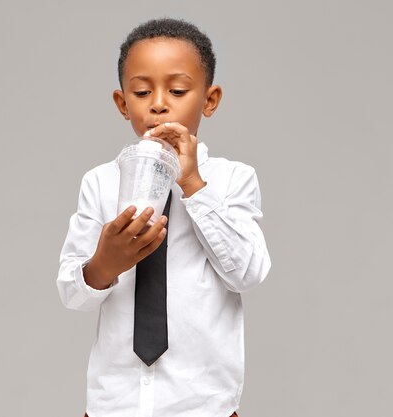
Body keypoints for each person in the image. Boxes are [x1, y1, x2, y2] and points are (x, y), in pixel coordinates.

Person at [57, 18, 271, 417]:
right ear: (123, 104)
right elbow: (71, 291)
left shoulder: (232, 180)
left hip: (202, 405)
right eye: (141, 91)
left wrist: (192, 183)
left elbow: (248, 272)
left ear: (209, 99)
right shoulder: (101, 183)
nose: (158, 103)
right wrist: (104, 265)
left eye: (177, 90)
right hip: (113, 405)